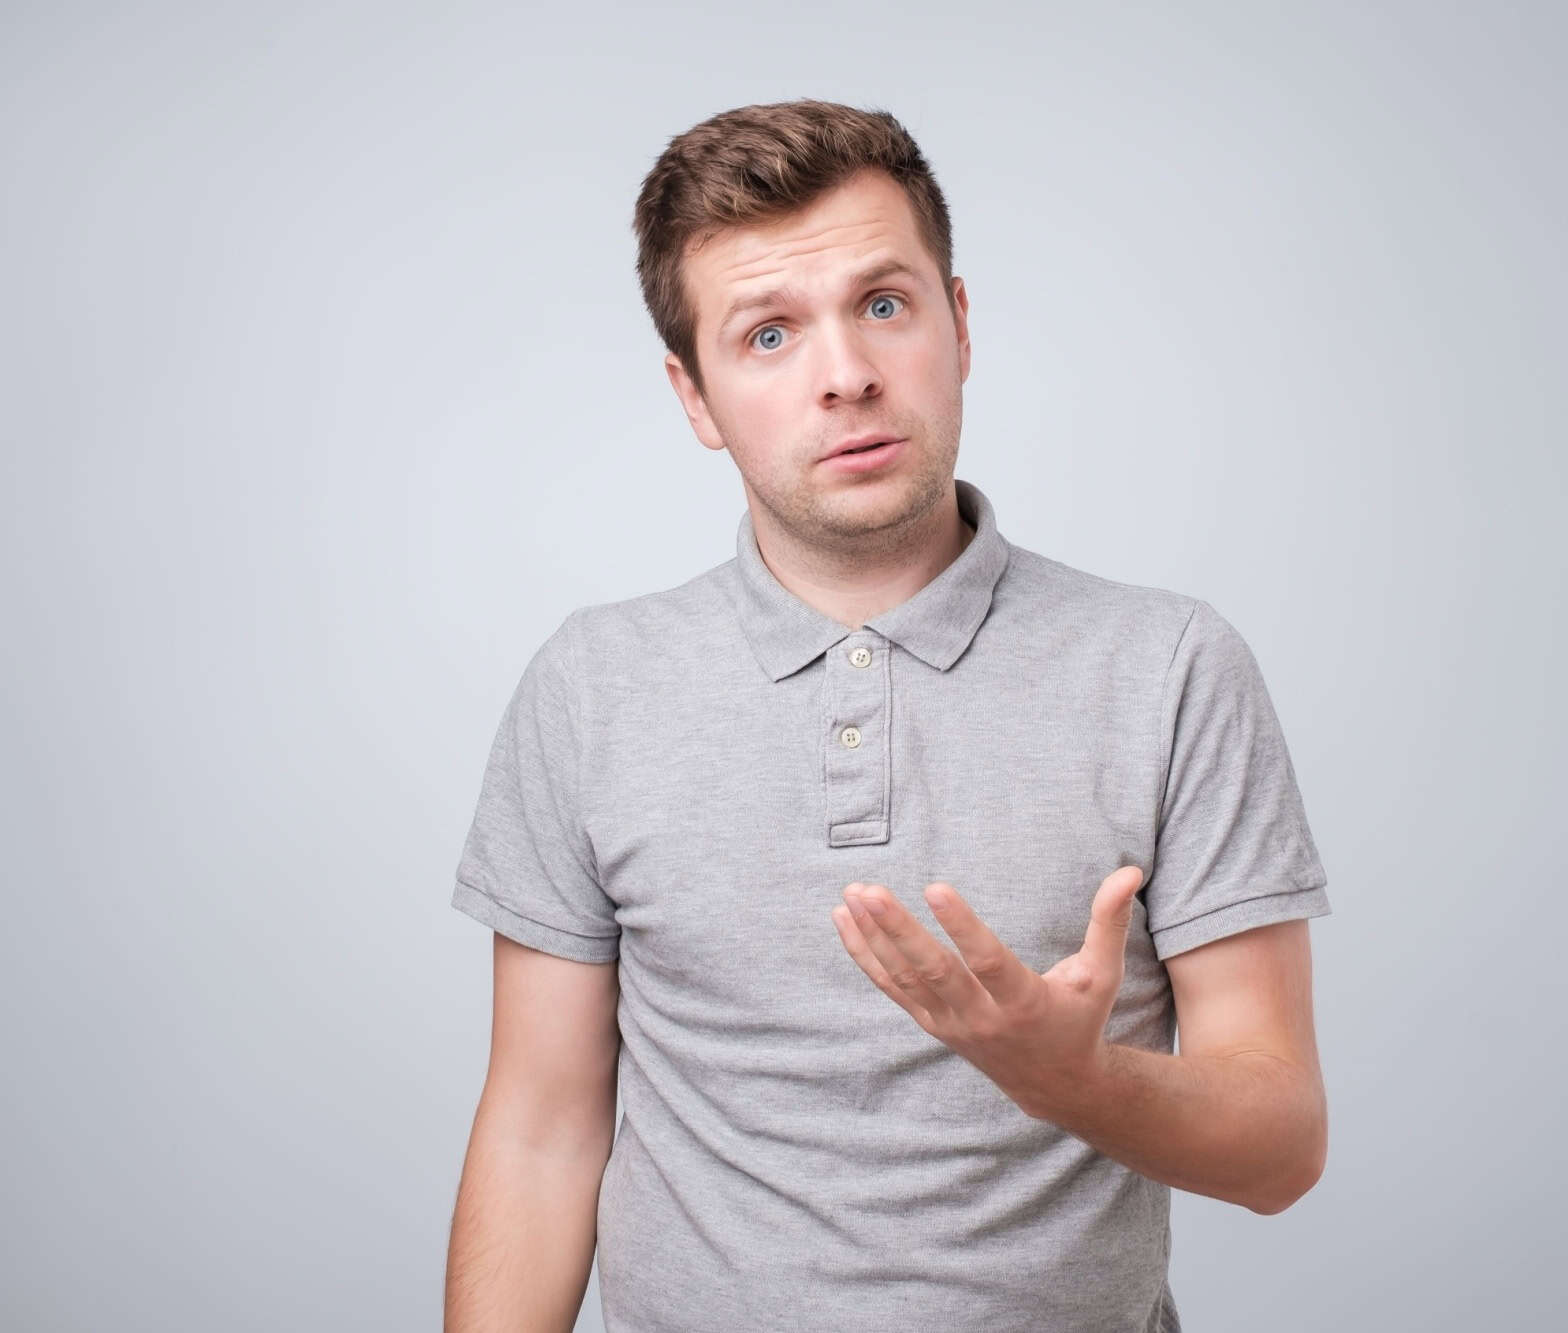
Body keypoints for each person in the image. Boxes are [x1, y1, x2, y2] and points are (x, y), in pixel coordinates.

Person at [443, 98, 1332, 1333]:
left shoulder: (1169, 665)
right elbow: (540, 1134)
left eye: (881, 303)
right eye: (766, 335)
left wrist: (1074, 1081)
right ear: (693, 397)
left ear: (955, 325)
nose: (845, 373)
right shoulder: (590, 686)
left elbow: (1279, 1147)